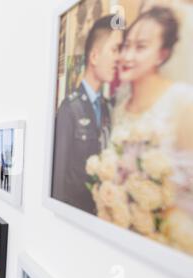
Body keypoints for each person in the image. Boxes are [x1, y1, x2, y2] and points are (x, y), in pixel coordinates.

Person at [110, 6, 193, 254]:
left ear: (162, 54)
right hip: (124, 238)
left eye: (141, 47)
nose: (127, 55)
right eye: (126, 46)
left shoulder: (182, 101)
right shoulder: (120, 107)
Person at [52, 15, 122, 214]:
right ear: (94, 57)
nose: (118, 58)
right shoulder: (70, 109)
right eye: (114, 50)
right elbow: (58, 182)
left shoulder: (107, 108)